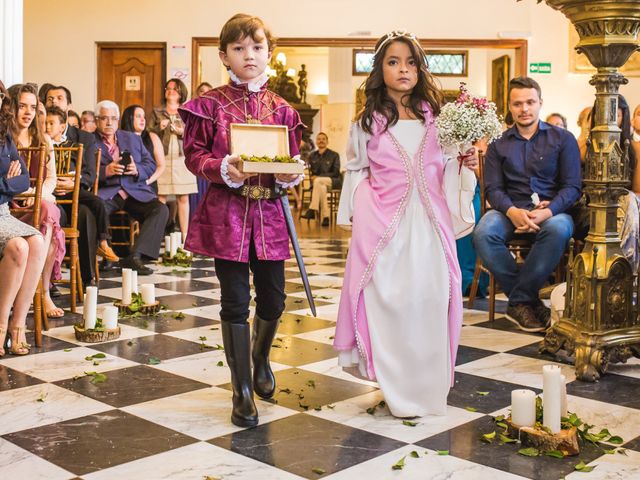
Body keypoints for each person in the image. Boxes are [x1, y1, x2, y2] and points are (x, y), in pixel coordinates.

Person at [334, 31, 478, 418]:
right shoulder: (368, 121)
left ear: (420, 68)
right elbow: (356, 169)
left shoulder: (437, 116)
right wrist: (357, 213)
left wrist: (468, 165)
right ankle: (395, 387)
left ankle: (427, 389)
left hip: (429, 222)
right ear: (380, 70)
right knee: (392, 302)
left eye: (410, 62)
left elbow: (449, 165)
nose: (403, 69)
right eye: (393, 62)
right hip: (385, 224)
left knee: (430, 299)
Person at [179, 13, 304, 428]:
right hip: (227, 216)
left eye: (257, 47)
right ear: (224, 56)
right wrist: (223, 167)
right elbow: (195, 157)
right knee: (233, 302)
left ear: (270, 52)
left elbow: (291, 159)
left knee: (274, 299)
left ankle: (260, 356)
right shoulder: (209, 105)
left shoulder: (284, 110)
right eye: (239, 48)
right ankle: (241, 390)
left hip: (269, 215)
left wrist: (291, 174)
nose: (249, 55)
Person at [473, 77, 581, 332]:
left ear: (540, 103)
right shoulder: (499, 144)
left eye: (530, 102)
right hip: (508, 209)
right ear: (510, 107)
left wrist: (547, 211)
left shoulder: (563, 139)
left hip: (551, 210)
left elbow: (572, 187)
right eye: (518, 104)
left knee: (559, 228)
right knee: (483, 233)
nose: (524, 109)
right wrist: (512, 211)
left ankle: (519, 301)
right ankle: (528, 301)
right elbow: (493, 189)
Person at [45, 85, 114, 285]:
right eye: (50, 99)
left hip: (76, 195)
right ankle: (48, 282)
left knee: (85, 214)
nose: (54, 102)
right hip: (51, 196)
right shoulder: (40, 135)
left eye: (59, 98)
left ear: (69, 106)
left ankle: (88, 279)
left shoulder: (84, 137)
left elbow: (91, 175)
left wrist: (74, 181)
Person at [93, 100, 169, 275]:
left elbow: (150, 164)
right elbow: (85, 170)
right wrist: (106, 171)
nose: (109, 122)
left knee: (160, 210)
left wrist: (137, 170)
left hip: (134, 191)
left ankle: (135, 256)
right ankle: (109, 256)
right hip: (108, 192)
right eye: (104, 118)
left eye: (113, 118)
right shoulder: (89, 139)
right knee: (96, 209)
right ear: (97, 120)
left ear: (118, 120)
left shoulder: (132, 138)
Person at [10, 83, 66, 318]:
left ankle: (41, 292)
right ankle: (38, 292)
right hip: (12, 208)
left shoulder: (43, 139)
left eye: (32, 107)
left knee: (48, 212)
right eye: (22, 106)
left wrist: (36, 195)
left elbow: (51, 179)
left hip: (38, 202)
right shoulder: (5, 138)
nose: (28, 112)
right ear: (11, 107)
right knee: (50, 219)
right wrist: (21, 195)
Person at [0, 79, 46, 356]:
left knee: (37, 241)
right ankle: (1, 323)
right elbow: (13, 183)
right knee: (19, 246)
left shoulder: (4, 135)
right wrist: (7, 182)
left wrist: (5, 184)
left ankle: (18, 326)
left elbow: (25, 179)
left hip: (2, 210)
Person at [151, 78, 197, 239]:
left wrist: (182, 131)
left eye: (175, 89)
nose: (170, 91)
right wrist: (159, 127)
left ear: (181, 93)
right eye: (168, 88)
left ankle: (185, 237)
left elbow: (195, 134)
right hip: (161, 159)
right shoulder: (157, 111)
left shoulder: (188, 111)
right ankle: (157, 236)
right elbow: (147, 134)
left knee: (183, 197)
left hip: (181, 158)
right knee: (161, 197)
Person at [120, 105, 166, 192]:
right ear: (129, 119)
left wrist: (147, 181)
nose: (143, 120)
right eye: (138, 116)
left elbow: (161, 166)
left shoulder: (152, 137)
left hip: (148, 184)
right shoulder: (120, 137)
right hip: (126, 185)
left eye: (144, 117)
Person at [301, 132, 342, 226]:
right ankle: (326, 217)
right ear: (316, 142)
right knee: (321, 186)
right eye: (319, 139)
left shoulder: (334, 155)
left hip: (333, 181)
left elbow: (336, 173)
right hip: (318, 184)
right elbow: (311, 172)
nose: (321, 141)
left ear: (327, 141)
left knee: (318, 181)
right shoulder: (312, 156)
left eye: (323, 139)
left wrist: (319, 177)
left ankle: (312, 209)